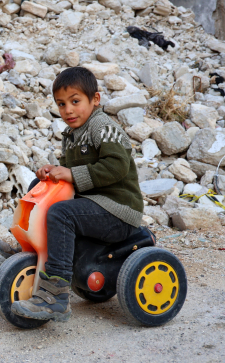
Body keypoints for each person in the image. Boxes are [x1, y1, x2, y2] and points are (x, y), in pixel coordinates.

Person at [10, 66, 144, 322]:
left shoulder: (103, 127)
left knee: (62, 214)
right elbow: (72, 172)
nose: (68, 110)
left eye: (75, 101)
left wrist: (70, 174)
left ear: (95, 99)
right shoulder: (73, 134)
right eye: (61, 104)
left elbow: (116, 166)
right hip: (93, 202)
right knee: (37, 187)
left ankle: (56, 295)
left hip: (117, 209)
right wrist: (54, 171)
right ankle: (32, 251)